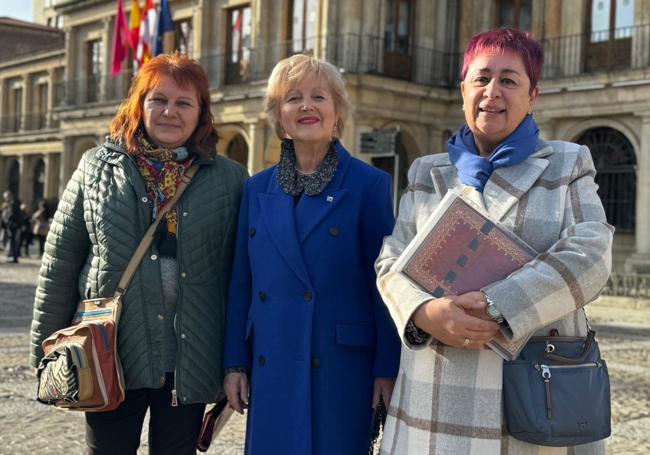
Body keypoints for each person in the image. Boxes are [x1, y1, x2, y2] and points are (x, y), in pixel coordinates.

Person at [375, 28, 613, 455]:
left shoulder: (566, 162)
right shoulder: (428, 172)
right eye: (482, 78)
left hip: (536, 399)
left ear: (532, 95)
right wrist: (424, 311)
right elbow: (391, 261)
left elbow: (591, 254)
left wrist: (498, 304)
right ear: (463, 88)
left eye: (509, 80)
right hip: (435, 393)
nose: (492, 92)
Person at [30, 53, 247, 454]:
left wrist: (239, 359)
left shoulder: (229, 178)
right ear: (139, 104)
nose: (169, 112)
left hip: (191, 354)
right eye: (158, 99)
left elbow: (242, 274)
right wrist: (45, 347)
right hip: (110, 353)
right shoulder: (95, 167)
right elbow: (60, 260)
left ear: (201, 113)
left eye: (184, 103)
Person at [223, 54, 401, 454]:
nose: (306, 106)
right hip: (272, 361)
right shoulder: (256, 189)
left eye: (319, 96)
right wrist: (234, 362)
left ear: (337, 112)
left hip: (341, 367)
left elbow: (384, 286)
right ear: (278, 116)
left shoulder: (370, 185)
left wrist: (386, 367)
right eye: (293, 98)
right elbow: (241, 283)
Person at [1, 195, 23, 263]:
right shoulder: (18, 210)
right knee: (14, 242)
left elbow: (10, 217)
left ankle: (15, 258)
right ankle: (14, 257)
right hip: (15, 227)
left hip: (13, 227)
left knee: (14, 242)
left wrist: (7, 221)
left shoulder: (14, 209)